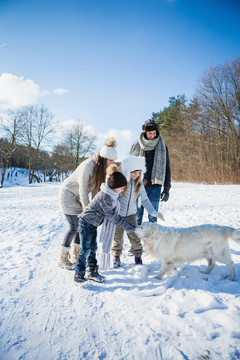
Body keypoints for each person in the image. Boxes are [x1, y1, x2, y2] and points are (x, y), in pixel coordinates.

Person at [58, 138, 118, 270]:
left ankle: (76, 256)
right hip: (68, 195)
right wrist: (87, 212)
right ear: (103, 158)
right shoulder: (88, 166)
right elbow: (83, 190)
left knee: (81, 227)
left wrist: (98, 210)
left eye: (113, 161)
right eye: (110, 161)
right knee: (74, 226)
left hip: (78, 198)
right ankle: (62, 258)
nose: (112, 164)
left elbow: (96, 191)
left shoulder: (101, 170)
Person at [74, 164, 135, 283]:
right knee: (85, 249)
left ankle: (92, 271)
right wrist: (126, 225)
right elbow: (112, 216)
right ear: (115, 186)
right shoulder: (105, 197)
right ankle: (79, 273)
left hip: (92, 225)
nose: (123, 190)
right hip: (86, 223)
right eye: (121, 187)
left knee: (93, 248)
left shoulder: (111, 196)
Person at [111, 156, 164, 268]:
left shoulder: (139, 184)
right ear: (127, 171)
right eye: (133, 173)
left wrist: (152, 212)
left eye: (138, 173)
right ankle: (116, 256)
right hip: (118, 215)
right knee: (117, 237)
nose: (136, 175)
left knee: (134, 236)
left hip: (131, 215)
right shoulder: (121, 182)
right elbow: (113, 197)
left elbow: (144, 199)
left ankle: (138, 256)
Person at [130, 119, 171, 225]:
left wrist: (166, 189)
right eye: (149, 133)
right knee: (137, 218)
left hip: (155, 187)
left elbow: (167, 169)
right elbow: (130, 168)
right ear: (145, 132)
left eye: (154, 133)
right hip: (139, 186)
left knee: (153, 218)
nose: (152, 136)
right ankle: (136, 241)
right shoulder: (136, 147)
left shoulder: (162, 147)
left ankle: (152, 241)